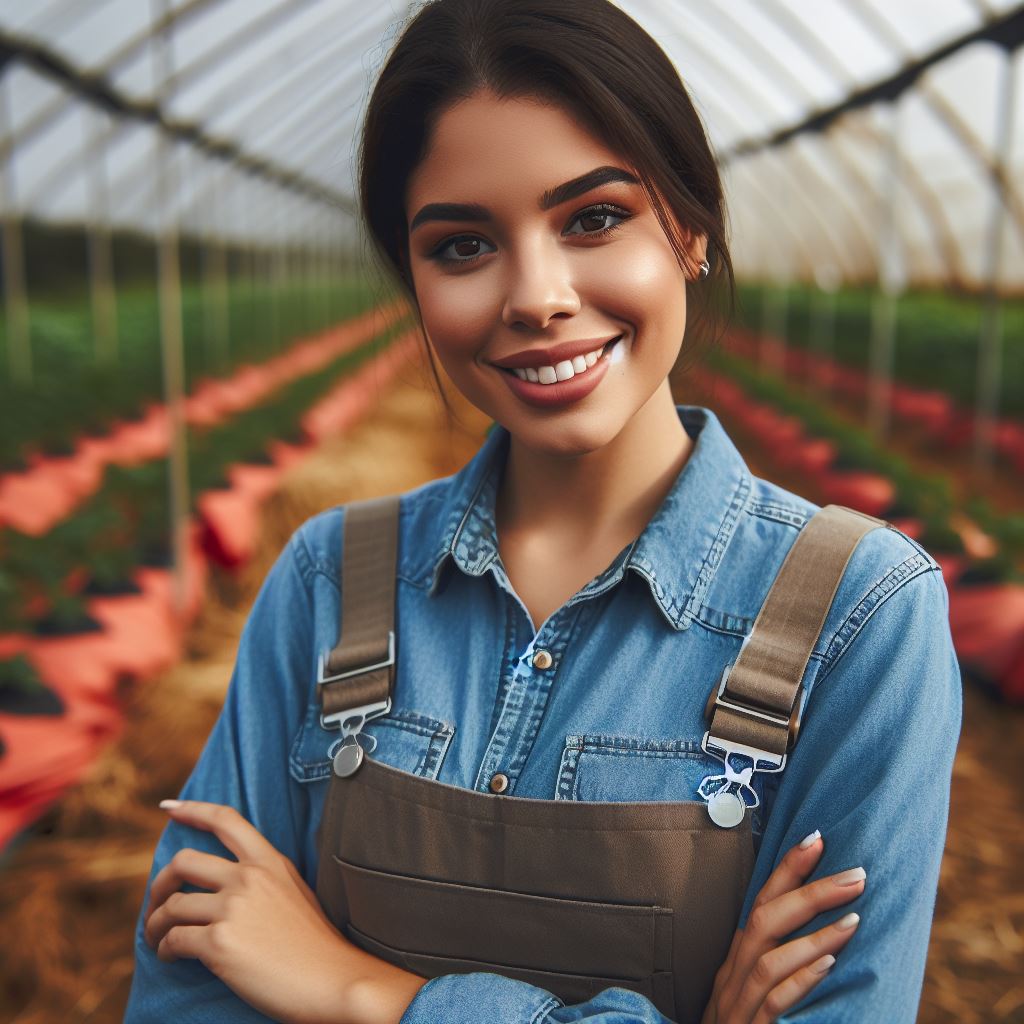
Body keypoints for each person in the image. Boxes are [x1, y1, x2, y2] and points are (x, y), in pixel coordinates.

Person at [124, 1, 962, 1022]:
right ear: (415, 284)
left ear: (689, 230)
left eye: (594, 218)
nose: (536, 294)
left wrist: (360, 991)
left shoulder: (858, 615)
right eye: (463, 244)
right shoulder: (327, 578)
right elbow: (185, 994)